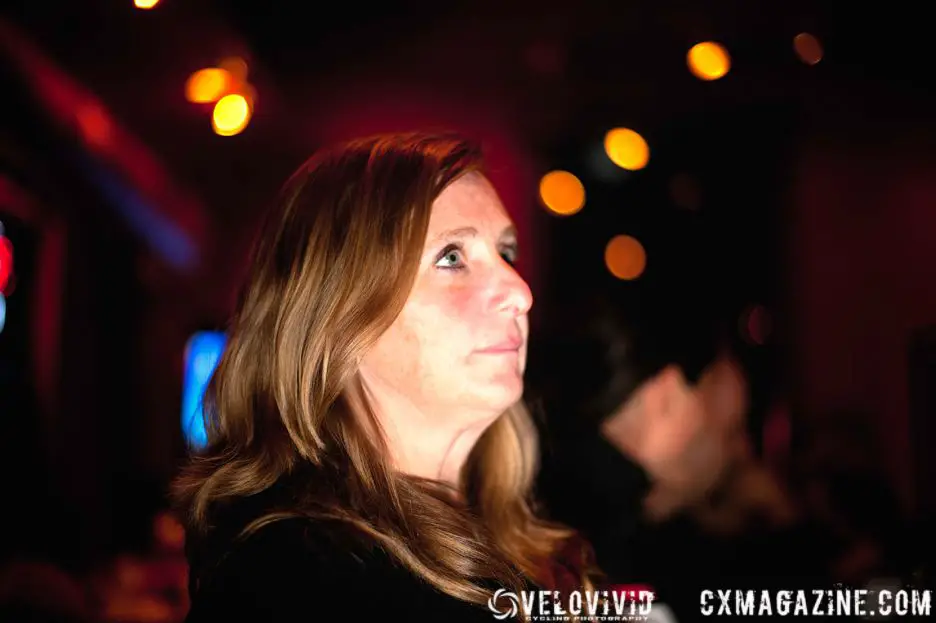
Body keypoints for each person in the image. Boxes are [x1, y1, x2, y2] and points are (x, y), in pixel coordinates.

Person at [172, 133, 604, 622]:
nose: (519, 291)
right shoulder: (295, 582)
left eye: (506, 253)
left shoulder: (519, 536)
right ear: (335, 315)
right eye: (452, 257)